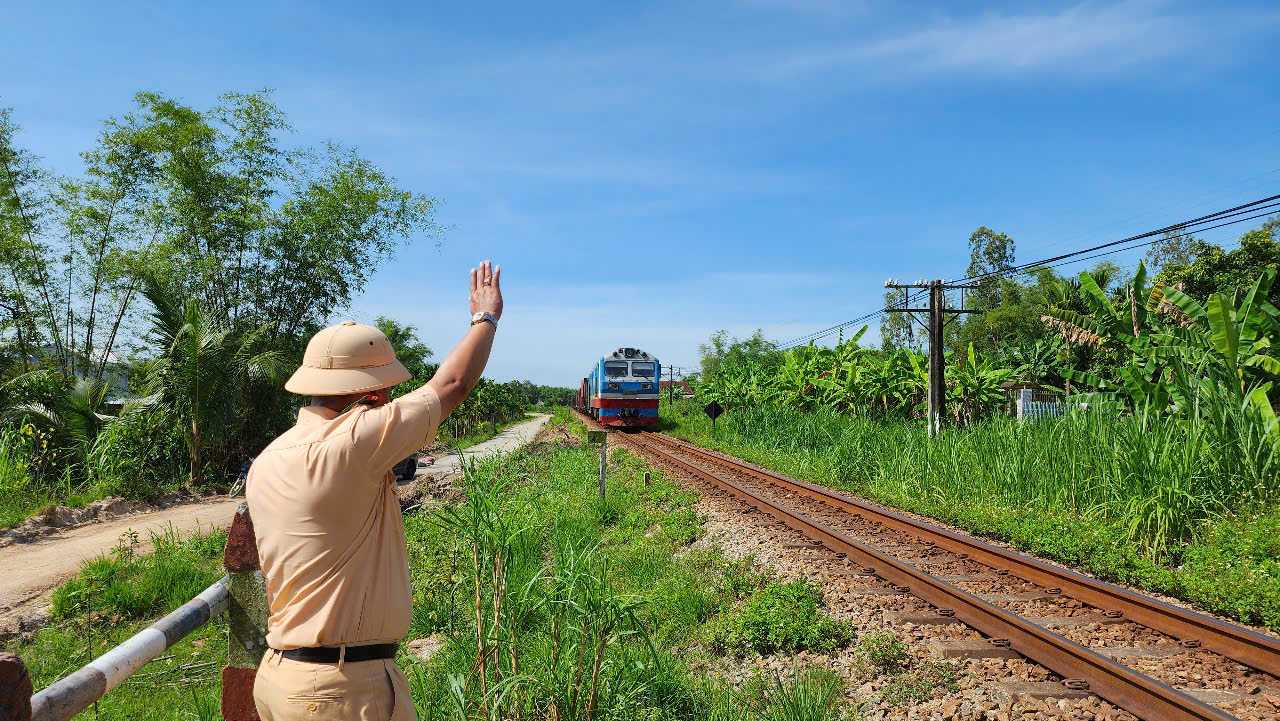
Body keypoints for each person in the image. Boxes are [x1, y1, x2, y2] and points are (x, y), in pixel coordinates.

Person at [247, 260, 503, 721]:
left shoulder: (269, 458)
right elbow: (452, 384)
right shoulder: (354, 441)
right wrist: (485, 318)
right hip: (340, 690)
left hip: (280, 678)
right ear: (375, 393)